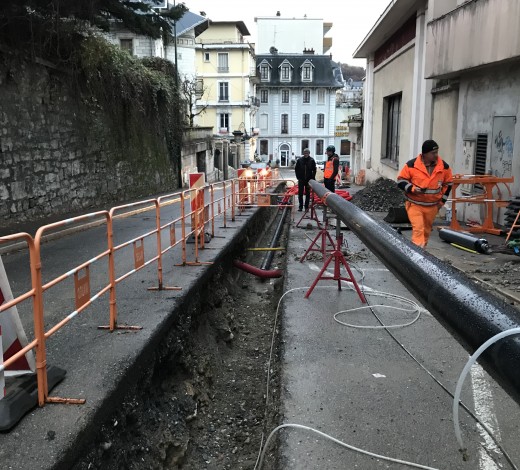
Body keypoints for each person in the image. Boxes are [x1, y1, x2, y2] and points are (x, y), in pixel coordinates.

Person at [397, 139, 453, 248]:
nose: (436, 155)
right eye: (433, 153)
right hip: (414, 205)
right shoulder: (412, 165)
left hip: (432, 207)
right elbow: (400, 181)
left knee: (426, 232)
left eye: (437, 152)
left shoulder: (444, 167)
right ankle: (416, 258)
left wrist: (442, 202)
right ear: (425, 154)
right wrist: (412, 188)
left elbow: (448, 184)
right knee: (419, 230)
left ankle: (422, 255)